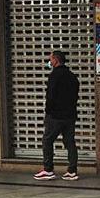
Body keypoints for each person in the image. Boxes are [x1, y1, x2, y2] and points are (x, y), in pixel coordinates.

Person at [33, 51, 80, 181]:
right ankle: (72, 170)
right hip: (70, 115)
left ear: (56, 60)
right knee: (69, 141)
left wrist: (48, 111)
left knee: (47, 140)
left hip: (56, 116)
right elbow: (75, 95)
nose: (50, 61)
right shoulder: (72, 76)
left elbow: (51, 96)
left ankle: (48, 169)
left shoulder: (54, 76)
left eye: (51, 59)